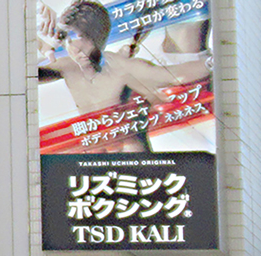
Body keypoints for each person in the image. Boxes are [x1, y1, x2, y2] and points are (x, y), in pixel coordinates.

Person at [38, 0, 211, 152]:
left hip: (132, 163)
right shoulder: (68, 66)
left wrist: (214, 63)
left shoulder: (124, 67)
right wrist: (43, 44)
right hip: (95, 161)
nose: (76, 49)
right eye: (69, 40)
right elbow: (26, 73)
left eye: (82, 38)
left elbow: (176, 76)